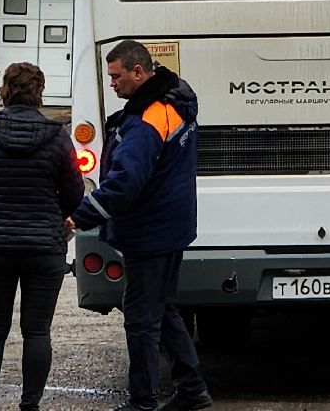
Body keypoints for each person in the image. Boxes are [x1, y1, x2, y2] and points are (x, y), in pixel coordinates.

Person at [68, 41, 211, 411]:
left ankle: (143, 401)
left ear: (139, 72)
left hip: (150, 233)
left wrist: (81, 215)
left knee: (141, 320)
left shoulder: (149, 118)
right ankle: (192, 390)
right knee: (162, 309)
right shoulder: (172, 105)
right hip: (170, 227)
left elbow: (126, 180)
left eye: (116, 76)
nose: (112, 83)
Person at [0, 62, 85, 411]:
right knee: (37, 331)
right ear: (39, 92)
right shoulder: (58, 138)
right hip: (44, 249)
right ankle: (30, 405)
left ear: (5, 90)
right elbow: (75, 196)